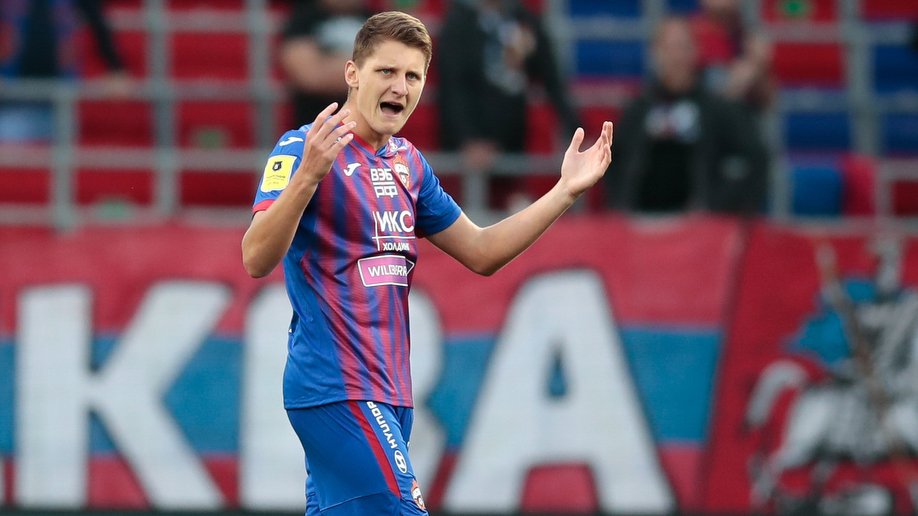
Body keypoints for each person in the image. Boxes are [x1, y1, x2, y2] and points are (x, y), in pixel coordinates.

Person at [241, 11, 612, 514]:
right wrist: (307, 176)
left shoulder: (408, 164)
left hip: (392, 394)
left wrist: (564, 191)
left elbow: (482, 252)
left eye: (412, 76)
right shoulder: (302, 147)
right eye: (386, 72)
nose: (401, 87)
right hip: (336, 386)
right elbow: (256, 257)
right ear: (353, 74)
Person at [604, 16, 768, 215]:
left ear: (695, 51)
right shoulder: (636, 110)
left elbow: (756, 159)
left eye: (682, 47)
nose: (675, 56)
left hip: (701, 224)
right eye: (668, 48)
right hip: (642, 222)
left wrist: (718, 207)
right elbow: (613, 163)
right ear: (655, 54)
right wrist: (622, 206)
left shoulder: (717, 110)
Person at [436, 0, 581, 211]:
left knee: (514, 213)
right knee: (467, 214)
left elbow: (553, 82)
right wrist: (468, 139)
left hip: (512, 140)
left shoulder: (524, 20)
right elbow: (452, 87)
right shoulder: (459, 22)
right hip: (468, 148)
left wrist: (576, 129)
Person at [0, 0, 129, 142]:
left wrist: (116, 69)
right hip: (11, 97)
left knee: (59, 146)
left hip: (60, 98)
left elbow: (98, 22)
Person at [278, 0, 372, 128]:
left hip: (370, 129)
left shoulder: (377, 20)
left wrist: (329, 63)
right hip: (315, 128)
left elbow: (390, 73)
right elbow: (310, 76)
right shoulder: (304, 19)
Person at [690, 0, 776, 114]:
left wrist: (759, 67)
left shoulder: (749, 37)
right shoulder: (691, 34)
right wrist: (732, 86)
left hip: (744, 118)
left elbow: (768, 101)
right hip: (704, 118)